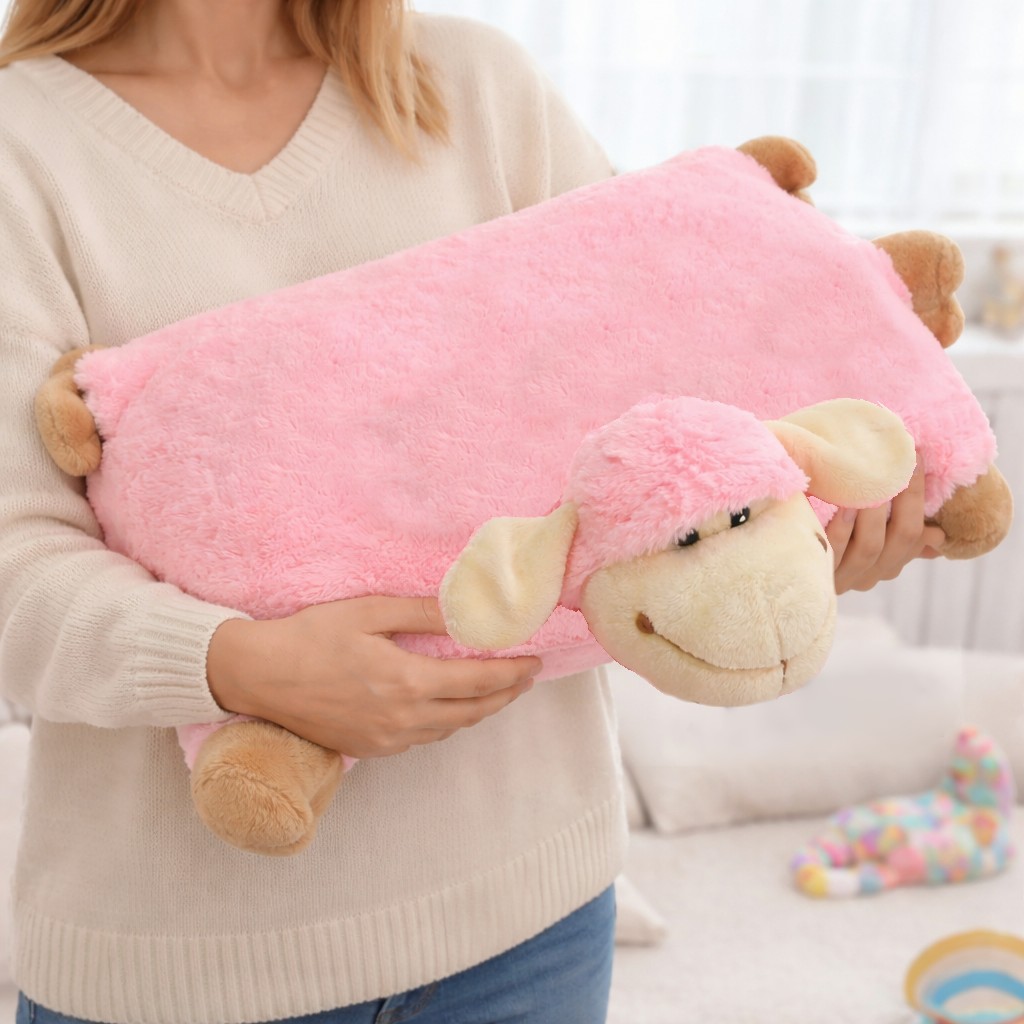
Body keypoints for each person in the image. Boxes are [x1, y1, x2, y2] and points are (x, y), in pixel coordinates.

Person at [0, 2, 943, 1022]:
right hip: (181, 965)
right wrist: (231, 665)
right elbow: (15, 555)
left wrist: (793, 523)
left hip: (531, 924)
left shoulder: (478, 85)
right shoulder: (24, 147)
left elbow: (670, 404)